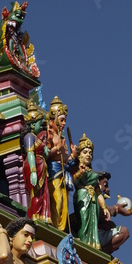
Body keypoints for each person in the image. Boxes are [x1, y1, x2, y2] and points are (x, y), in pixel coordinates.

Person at [72, 134, 110, 250]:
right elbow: (73, 180)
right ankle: (83, 242)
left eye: (90, 153)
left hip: (93, 200)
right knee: (84, 222)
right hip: (82, 196)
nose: (88, 154)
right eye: (85, 152)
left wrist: (104, 208)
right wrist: (80, 173)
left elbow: (98, 192)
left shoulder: (93, 173)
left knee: (93, 224)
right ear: (79, 155)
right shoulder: (77, 168)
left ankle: (93, 245)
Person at [46, 96, 76, 231]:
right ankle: (54, 226)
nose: (64, 123)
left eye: (65, 120)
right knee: (57, 200)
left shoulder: (62, 138)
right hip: (54, 171)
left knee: (64, 203)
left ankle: (61, 228)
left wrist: (73, 156)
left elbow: (66, 161)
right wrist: (57, 148)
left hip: (64, 172)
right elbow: (45, 153)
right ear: (53, 120)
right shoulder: (50, 135)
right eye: (61, 120)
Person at [21, 99, 51, 224]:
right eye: (39, 123)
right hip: (33, 165)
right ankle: (35, 214)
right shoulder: (29, 137)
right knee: (36, 193)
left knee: (44, 192)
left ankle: (43, 215)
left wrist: (46, 151)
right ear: (33, 125)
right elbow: (30, 154)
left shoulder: (37, 137)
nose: (41, 126)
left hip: (41, 164)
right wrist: (33, 171)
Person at [97, 171, 131, 254]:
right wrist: (116, 209)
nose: (108, 190)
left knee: (112, 226)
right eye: (105, 185)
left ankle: (103, 252)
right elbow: (96, 212)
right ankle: (102, 252)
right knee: (124, 231)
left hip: (97, 235)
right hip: (90, 236)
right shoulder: (90, 197)